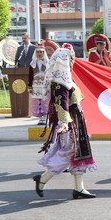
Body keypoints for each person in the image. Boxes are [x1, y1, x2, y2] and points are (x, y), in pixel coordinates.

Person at [33, 43, 97, 200]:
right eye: (70, 58)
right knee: (68, 153)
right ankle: (42, 179)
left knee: (78, 154)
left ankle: (79, 189)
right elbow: (61, 103)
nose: (72, 62)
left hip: (76, 121)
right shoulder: (60, 81)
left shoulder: (66, 79)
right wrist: (63, 123)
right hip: (69, 123)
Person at [28, 42, 50, 125]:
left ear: (44, 53)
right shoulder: (32, 63)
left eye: (41, 52)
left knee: (45, 101)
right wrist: (29, 86)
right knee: (37, 101)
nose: (39, 53)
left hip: (45, 85)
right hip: (36, 85)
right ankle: (40, 118)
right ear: (35, 53)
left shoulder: (48, 63)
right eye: (38, 52)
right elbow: (30, 75)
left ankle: (45, 117)